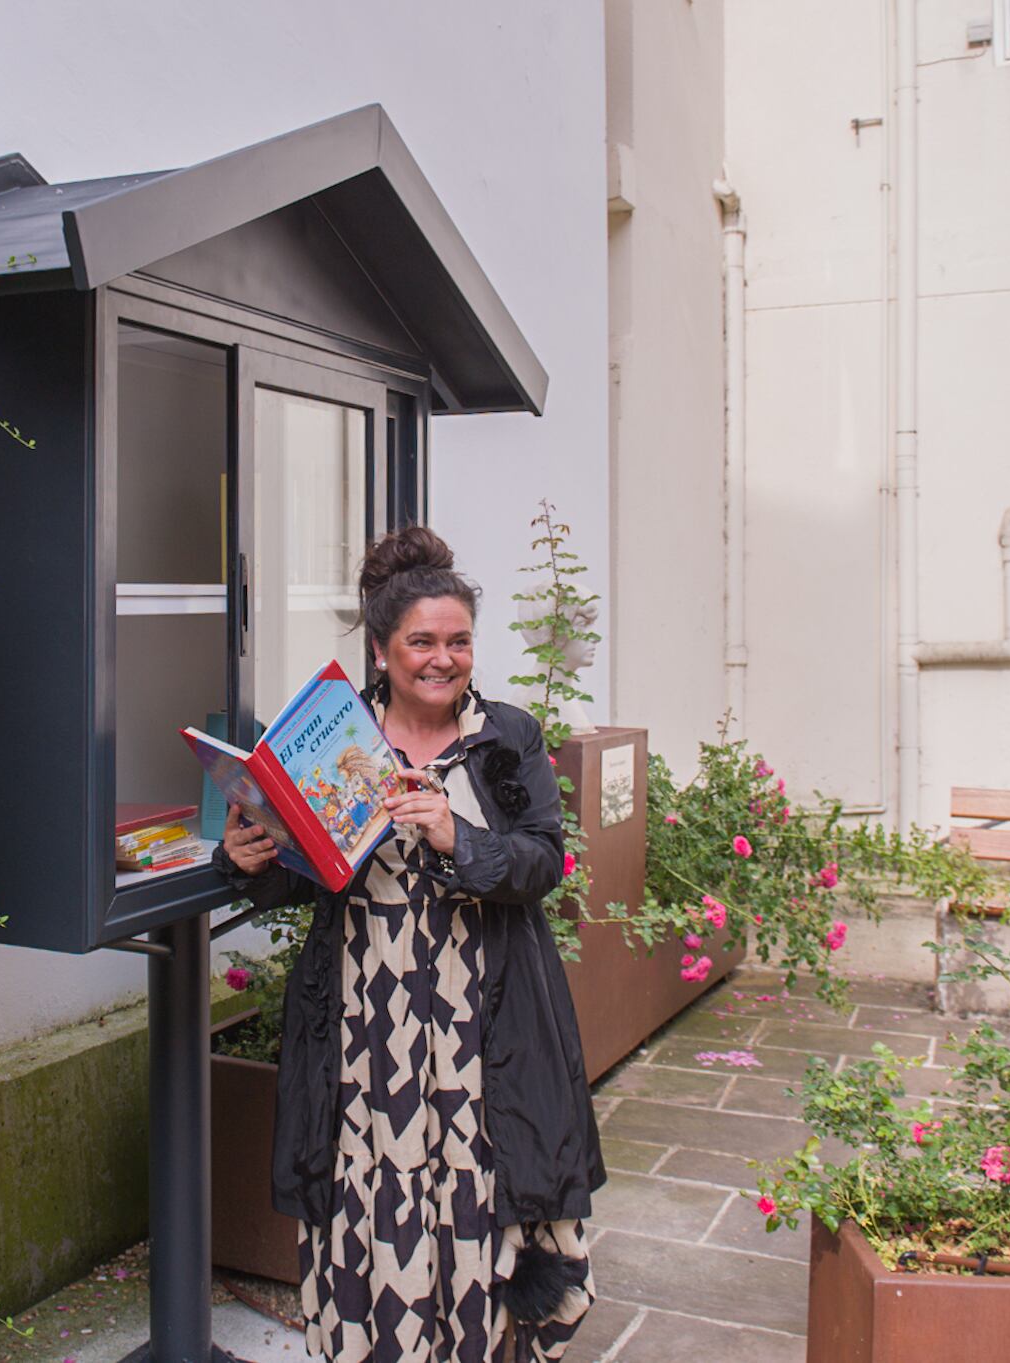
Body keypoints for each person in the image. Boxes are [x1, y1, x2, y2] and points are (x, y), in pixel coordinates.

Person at [214, 526, 604, 1363]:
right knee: (373, 1199)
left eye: (458, 640)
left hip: (484, 1026)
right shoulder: (334, 744)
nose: (443, 658)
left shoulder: (508, 740)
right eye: (421, 641)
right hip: (364, 1027)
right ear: (384, 652)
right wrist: (249, 859)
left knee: (480, 1195)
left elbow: (543, 860)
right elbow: (303, 871)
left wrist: (459, 836)